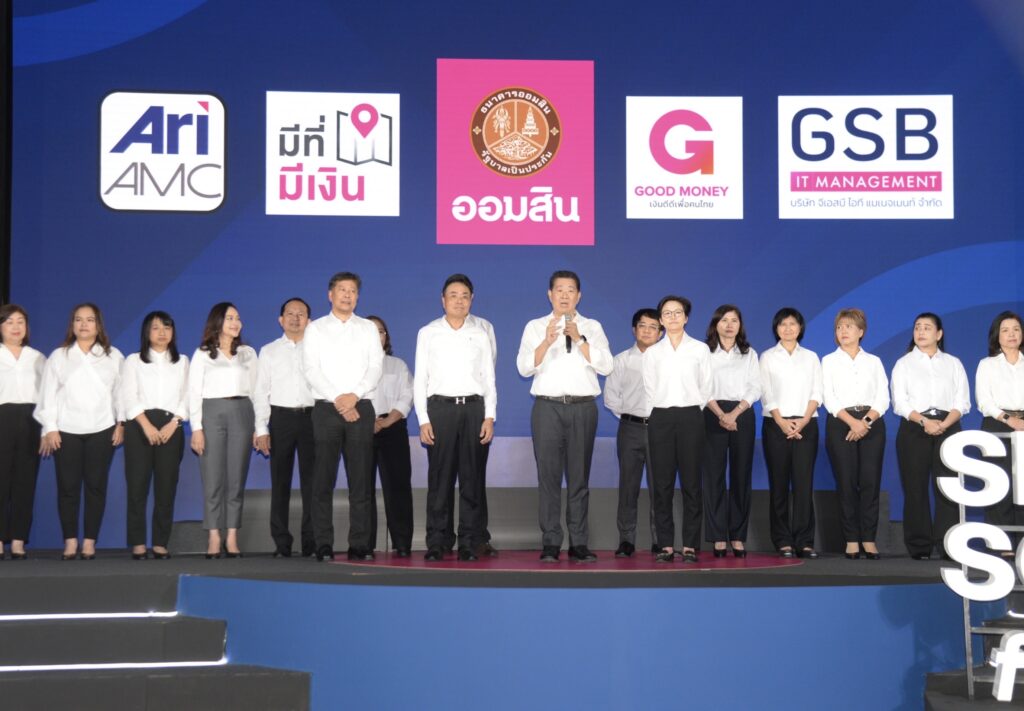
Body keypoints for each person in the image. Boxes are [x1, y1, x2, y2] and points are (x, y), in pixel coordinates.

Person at [516, 270, 612, 563]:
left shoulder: (592, 326)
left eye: (571, 290)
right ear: (550, 294)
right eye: (559, 290)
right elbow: (523, 368)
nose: (565, 295)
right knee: (548, 478)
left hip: (583, 408)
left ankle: (579, 542)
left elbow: (606, 366)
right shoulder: (535, 326)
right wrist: (546, 342)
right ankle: (550, 542)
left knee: (579, 478)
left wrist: (580, 339)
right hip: (547, 408)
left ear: (579, 296)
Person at [302, 272, 383, 562]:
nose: (347, 295)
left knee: (360, 480)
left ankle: (359, 544)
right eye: (342, 290)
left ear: (357, 296)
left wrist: (354, 396)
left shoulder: (368, 328)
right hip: (327, 409)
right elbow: (311, 370)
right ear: (330, 295)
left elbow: (376, 367)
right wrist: (339, 399)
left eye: (352, 291)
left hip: (361, 407)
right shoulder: (316, 329)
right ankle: (323, 543)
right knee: (322, 480)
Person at [415, 274, 496, 561]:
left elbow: (489, 378)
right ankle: (438, 541)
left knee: (472, 480)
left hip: (474, 409)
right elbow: (420, 379)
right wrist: (423, 419)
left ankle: (469, 542)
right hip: (440, 410)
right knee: (440, 480)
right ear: (443, 300)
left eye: (464, 296)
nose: (459, 301)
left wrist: (490, 417)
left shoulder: (481, 333)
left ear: (471, 300)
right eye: (453, 295)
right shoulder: (428, 332)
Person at [36, 303, 124, 560]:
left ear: (99, 325)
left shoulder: (113, 356)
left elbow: (121, 394)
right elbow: (47, 396)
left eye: (90, 320)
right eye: (78, 319)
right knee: (68, 488)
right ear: (72, 325)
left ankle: (89, 542)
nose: (84, 324)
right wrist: (50, 428)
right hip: (66, 430)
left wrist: (121, 423)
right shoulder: (59, 356)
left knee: (96, 487)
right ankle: (70, 541)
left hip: (102, 428)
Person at [891, 312, 970, 560]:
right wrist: (925, 422)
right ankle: (919, 546)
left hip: (948, 426)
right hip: (915, 427)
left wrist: (943, 424)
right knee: (915, 488)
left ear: (939, 334)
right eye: (917, 327)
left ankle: (948, 544)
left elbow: (963, 402)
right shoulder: (904, 364)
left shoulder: (953, 363)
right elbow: (899, 402)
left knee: (949, 488)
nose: (921, 332)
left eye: (927, 327)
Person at [643, 295, 712, 563]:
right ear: (661, 320)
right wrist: (661, 412)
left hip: (691, 417)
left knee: (692, 483)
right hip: (660, 418)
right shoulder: (652, 353)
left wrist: (691, 410)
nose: (672, 317)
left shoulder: (699, 350)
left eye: (678, 312)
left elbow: (706, 387)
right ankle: (666, 544)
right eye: (667, 313)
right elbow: (650, 388)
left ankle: (691, 544)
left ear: (686, 317)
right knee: (662, 484)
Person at [189, 302, 258, 559]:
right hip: (212, 413)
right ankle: (214, 535)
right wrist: (196, 428)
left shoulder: (248, 354)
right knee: (213, 479)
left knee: (236, 479)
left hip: (242, 411)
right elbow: (193, 392)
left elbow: (257, 391)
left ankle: (231, 535)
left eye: (237, 318)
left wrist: (260, 426)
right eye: (229, 318)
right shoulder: (203, 354)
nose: (235, 322)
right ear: (217, 322)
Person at [821, 308, 889, 560]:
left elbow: (883, 397)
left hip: (871, 423)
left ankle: (869, 539)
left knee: (870, 482)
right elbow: (828, 396)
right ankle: (851, 539)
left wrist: (865, 422)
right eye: (839, 327)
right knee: (846, 482)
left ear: (861, 331)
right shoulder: (828, 361)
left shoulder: (874, 361)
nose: (843, 331)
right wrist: (852, 423)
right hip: (841, 423)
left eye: (848, 327)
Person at [120, 311, 189, 560]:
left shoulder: (182, 361)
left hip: (171, 426)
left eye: (167, 328)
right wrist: (146, 425)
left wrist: (175, 422)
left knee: (166, 487)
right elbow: (129, 395)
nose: (162, 333)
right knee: (137, 487)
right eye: (156, 328)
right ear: (146, 332)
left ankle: (160, 542)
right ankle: (138, 543)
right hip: (140, 426)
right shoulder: (133, 361)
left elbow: (187, 396)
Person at [253, 298, 316, 558]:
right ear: (281, 320)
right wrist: (261, 428)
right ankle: (282, 543)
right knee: (280, 483)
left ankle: (312, 541)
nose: (295, 318)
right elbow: (260, 391)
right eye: (290, 313)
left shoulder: (318, 348)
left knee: (313, 483)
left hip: (312, 417)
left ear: (309, 320)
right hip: (281, 418)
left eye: (301, 314)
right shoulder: (269, 351)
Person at [759, 307, 822, 559]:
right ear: (776, 328)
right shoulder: (767, 357)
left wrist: (803, 420)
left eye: (792, 324)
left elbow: (817, 391)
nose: (787, 328)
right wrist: (781, 422)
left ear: (800, 328)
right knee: (779, 484)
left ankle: (804, 541)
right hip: (776, 425)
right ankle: (783, 540)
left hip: (806, 425)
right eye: (782, 324)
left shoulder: (811, 357)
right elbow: (766, 392)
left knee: (804, 484)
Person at [703, 304, 760, 559]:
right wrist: (721, 415)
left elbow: (755, 387)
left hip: (742, 414)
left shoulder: (749, 354)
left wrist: (734, 414)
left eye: (734, 320)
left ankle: (737, 536)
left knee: (740, 476)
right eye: (724, 320)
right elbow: (701, 387)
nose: (729, 325)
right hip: (711, 412)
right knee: (713, 476)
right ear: (716, 324)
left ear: (740, 325)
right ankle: (717, 537)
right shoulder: (704, 353)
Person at [604, 307, 661, 557]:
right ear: (633, 329)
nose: (647, 331)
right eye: (642, 326)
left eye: (653, 327)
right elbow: (611, 398)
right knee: (628, 486)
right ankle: (626, 540)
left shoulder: (667, 361)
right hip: (630, 429)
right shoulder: (621, 360)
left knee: (660, 488)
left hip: (661, 430)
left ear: (660, 333)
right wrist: (631, 416)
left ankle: (661, 540)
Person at [975, 311, 1024, 554]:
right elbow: (984, 401)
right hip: (998, 424)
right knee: (1000, 484)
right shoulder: (988, 365)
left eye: (1016, 329)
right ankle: (1003, 545)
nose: (1011, 334)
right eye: (1005, 330)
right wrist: (1009, 419)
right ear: (997, 335)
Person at [0, 305, 45, 559]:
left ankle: (18, 541)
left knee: (24, 483)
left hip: (30, 420)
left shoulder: (37, 357)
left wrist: (47, 428)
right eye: (9, 322)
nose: (16, 327)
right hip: (2, 418)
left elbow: (47, 396)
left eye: (20, 322)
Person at [367, 315, 414, 557]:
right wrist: (368, 421)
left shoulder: (398, 365)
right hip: (361, 427)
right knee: (362, 489)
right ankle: (364, 543)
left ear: (387, 337)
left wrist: (387, 421)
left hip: (393, 427)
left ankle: (402, 542)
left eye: (381, 331)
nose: (376, 336)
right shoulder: (350, 366)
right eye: (371, 331)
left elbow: (407, 395)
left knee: (398, 487)